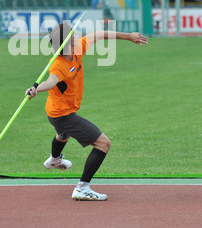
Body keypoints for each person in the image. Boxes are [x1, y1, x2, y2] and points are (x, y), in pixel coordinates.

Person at [25, 22, 148, 201]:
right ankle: (82, 188)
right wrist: (36, 89)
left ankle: (54, 159)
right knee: (103, 144)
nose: (78, 37)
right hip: (62, 115)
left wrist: (128, 36)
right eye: (73, 36)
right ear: (66, 43)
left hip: (55, 111)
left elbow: (98, 35)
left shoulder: (76, 49)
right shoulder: (58, 66)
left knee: (63, 136)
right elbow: (51, 81)